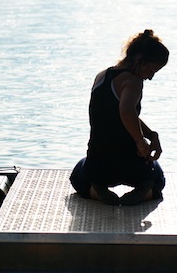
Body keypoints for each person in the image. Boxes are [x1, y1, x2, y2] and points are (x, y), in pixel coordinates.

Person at [70, 29, 169, 205]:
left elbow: (119, 115)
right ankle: (145, 191)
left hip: (99, 165)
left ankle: (94, 189)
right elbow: (126, 112)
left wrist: (151, 135)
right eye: (151, 70)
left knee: (79, 174)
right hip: (132, 167)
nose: (151, 77)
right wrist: (141, 143)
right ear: (139, 59)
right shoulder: (133, 81)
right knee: (158, 178)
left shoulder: (101, 76)